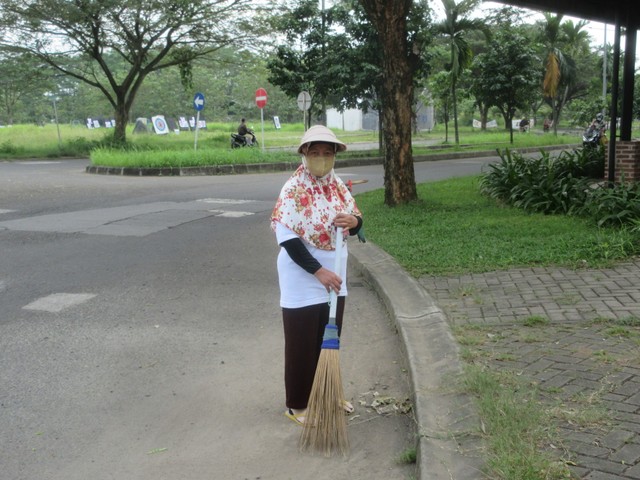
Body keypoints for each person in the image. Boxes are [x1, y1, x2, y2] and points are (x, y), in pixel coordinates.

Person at [270, 125, 364, 426]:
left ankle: (328, 393)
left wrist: (355, 221)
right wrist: (318, 271)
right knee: (301, 341)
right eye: (315, 152)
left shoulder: (337, 186)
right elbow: (287, 237)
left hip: (336, 276)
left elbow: (355, 219)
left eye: (327, 153)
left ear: (334, 156)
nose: (321, 158)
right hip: (303, 276)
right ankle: (297, 405)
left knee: (329, 338)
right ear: (304, 154)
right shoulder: (293, 188)